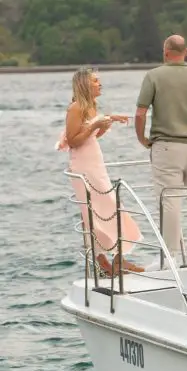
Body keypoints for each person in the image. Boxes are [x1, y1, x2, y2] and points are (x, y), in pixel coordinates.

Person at [134, 35, 187, 270]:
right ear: (186, 51)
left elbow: (141, 113)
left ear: (166, 51)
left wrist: (143, 139)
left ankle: (170, 256)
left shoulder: (154, 76)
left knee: (170, 200)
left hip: (167, 146)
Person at [57, 67, 145, 275]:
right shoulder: (76, 108)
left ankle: (111, 260)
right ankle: (109, 261)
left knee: (103, 211)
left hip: (95, 164)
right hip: (84, 168)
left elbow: (89, 138)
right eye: (96, 81)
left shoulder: (90, 107)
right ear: (85, 85)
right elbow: (73, 141)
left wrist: (106, 122)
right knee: (103, 211)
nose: (100, 84)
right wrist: (95, 124)